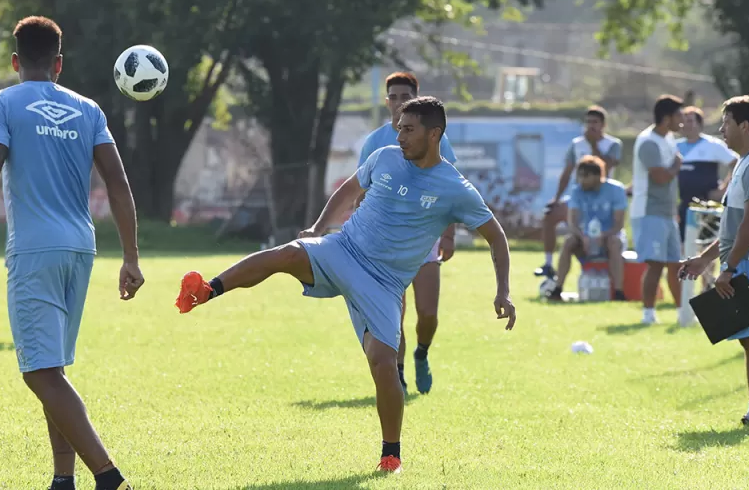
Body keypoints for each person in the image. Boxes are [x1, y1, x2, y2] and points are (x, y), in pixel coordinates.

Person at [175, 96, 516, 474]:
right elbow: (348, 190)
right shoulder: (385, 157)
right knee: (288, 253)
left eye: (408, 129)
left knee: (384, 363)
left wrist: (503, 290)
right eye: (398, 128)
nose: (399, 136)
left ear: (434, 134)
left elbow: (496, 237)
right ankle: (210, 288)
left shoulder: (455, 187)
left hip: (385, 285)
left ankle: (391, 454)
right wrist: (320, 229)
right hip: (344, 248)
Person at [0, 16, 143, 490]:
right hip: (80, 248)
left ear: (15, 60)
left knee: (38, 372)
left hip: (34, 250)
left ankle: (108, 476)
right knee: (54, 367)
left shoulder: (2, 103)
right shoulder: (88, 109)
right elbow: (119, 184)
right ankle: (63, 479)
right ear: (59, 64)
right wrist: (131, 256)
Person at [680, 95, 749, 431]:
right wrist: (704, 259)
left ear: (744, 125)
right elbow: (731, 226)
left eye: (725, 123)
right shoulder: (745, 162)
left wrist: (728, 268)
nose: (721, 129)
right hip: (741, 260)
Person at [357, 71, 458, 395]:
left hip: (424, 237)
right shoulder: (375, 142)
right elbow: (360, 189)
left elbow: (450, 189)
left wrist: (449, 234)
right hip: (385, 243)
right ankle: (397, 375)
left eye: (405, 97)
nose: (399, 103)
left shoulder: (435, 139)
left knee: (428, 313)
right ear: (386, 101)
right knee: (392, 315)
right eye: (394, 97)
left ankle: (422, 353)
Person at [537, 106, 622, 279]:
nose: (591, 126)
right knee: (550, 215)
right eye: (588, 122)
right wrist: (557, 198)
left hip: (602, 197)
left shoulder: (613, 144)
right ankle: (548, 263)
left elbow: (605, 167)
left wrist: (593, 145)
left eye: (595, 122)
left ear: (603, 125)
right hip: (580, 196)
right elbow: (567, 173)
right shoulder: (576, 144)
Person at [631, 95, 685, 324]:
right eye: (678, 115)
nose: (682, 120)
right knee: (656, 264)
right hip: (648, 211)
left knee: (676, 264)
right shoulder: (648, 142)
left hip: (667, 212)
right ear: (666, 118)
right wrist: (675, 166)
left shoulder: (669, 138)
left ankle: (683, 313)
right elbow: (660, 177)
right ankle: (648, 314)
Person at [546, 155, 627, 300]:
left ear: (598, 176)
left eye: (585, 176)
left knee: (614, 243)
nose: (581, 180)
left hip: (609, 237)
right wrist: (582, 236)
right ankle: (558, 288)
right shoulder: (577, 191)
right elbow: (572, 223)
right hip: (585, 239)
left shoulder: (616, 190)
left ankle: (618, 291)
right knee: (568, 242)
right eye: (579, 176)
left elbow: (619, 225)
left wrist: (604, 235)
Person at [676, 105, 737, 244]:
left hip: (707, 206)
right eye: (683, 120)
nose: (686, 124)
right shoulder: (674, 146)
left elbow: (736, 163)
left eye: (690, 121)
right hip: (684, 205)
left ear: (699, 124)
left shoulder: (713, 145)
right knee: (683, 245)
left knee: (706, 245)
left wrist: (723, 190)